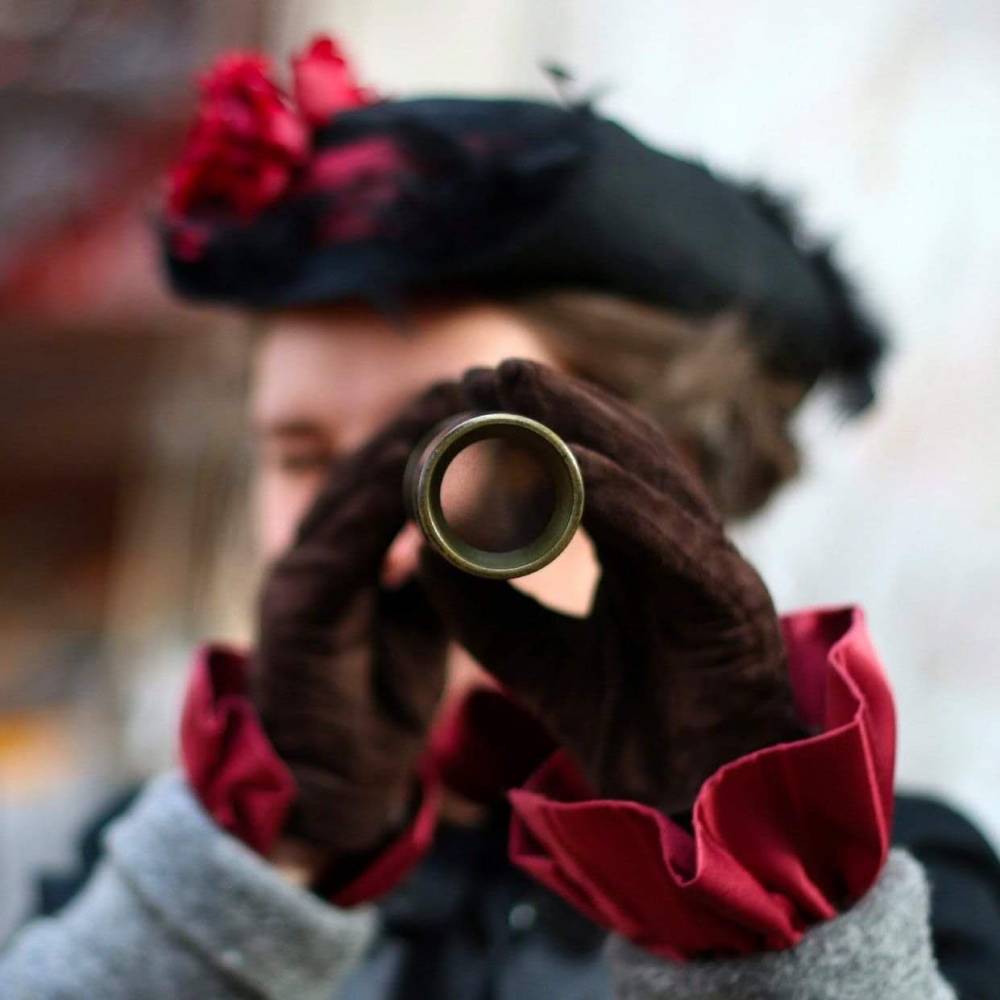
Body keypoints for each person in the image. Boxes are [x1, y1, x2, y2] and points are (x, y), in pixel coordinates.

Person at [3, 35, 999, 1000]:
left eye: (461, 461)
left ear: (664, 483)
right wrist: (255, 870)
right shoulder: (144, 866)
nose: (382, 548)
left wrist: (755, 907)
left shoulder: (899, 889)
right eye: (305, 458)